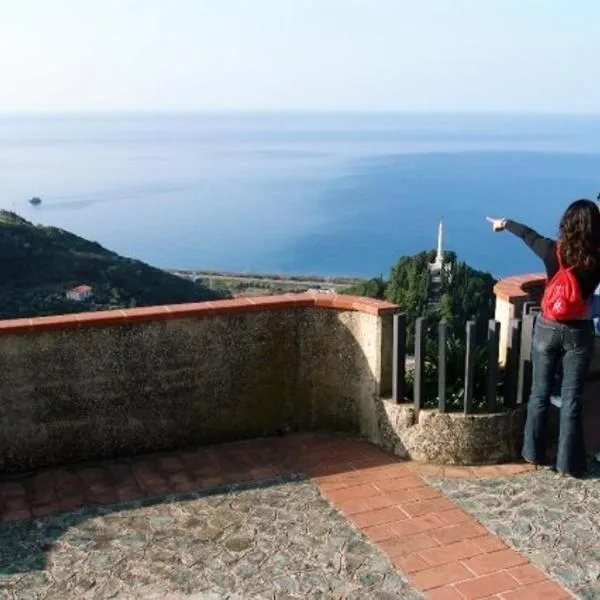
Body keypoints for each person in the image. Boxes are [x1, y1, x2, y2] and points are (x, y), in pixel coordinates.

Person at [487, 199, 600, 477]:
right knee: (572, 400)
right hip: (579, 331)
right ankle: (567, 464)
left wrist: (505, 223)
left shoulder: (554, 251)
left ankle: (533, 453)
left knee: (539, 393)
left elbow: (529, 235)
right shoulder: (597, 259)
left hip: (548, 328)